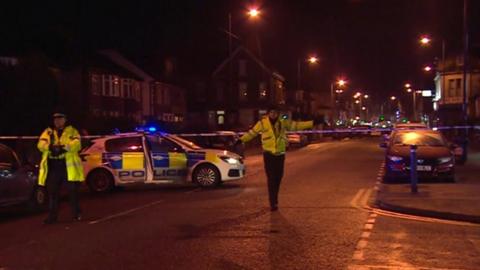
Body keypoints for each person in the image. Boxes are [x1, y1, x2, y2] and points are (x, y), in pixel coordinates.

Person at [238, 106, 318, 211]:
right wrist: (241, 140)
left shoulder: (283, 122)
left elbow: (296, 125)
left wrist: (311, 123)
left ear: (278, 113)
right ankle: (273, 202)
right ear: (268, 113)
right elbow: (252, 133)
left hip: (280, 154)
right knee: (271, 179)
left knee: (278, 178)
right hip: (269, 154)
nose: (273, 114)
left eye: (275, 112)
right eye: (271, 112)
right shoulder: (262, 123)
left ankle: (274, 199)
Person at [37, 112, 84, 224]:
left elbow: (77, 144)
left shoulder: (72, 131)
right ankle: (52, 217)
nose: (57, 121)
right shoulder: (48, 132)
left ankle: (76, 214)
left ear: (65, 119)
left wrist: (63, 148)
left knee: (72, 192)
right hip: (53, 165)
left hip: (67, 166)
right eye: (55, 119)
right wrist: (50, 147)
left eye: (60, 118)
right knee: (53, 193)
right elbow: (40, 145)